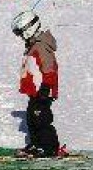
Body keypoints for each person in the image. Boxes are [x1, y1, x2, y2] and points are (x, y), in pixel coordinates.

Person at [11, 10, 60, 158]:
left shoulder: (41, 45)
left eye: (21, 33)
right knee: (32, 119)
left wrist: (45, 88)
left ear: (29, 29)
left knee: (42, 119)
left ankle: (49, 147)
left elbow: (49, 67)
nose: (20, 37)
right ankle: (36, 144)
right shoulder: (33, 45)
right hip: (36, 91)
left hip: (43, 91)